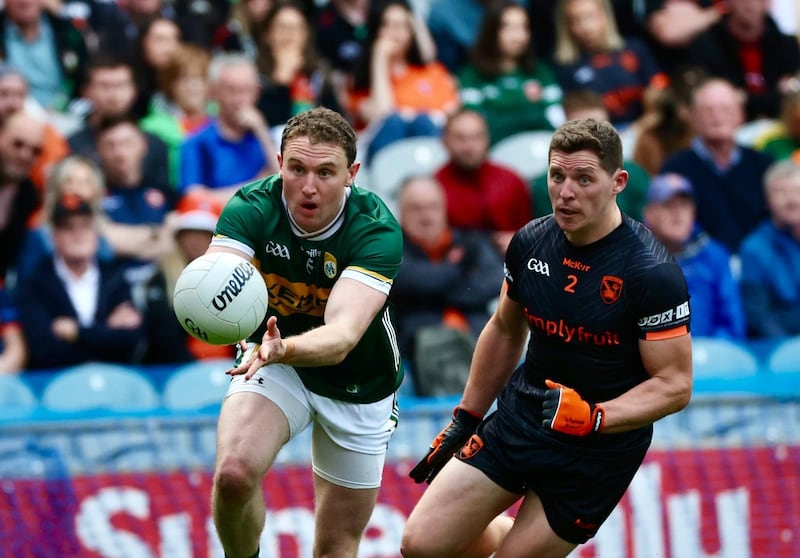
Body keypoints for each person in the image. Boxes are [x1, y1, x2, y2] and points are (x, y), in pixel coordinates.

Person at [401, 118, 693, 558]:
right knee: (421, 546)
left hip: (598, 453)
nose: (566, 191)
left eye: (583, 179)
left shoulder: (652, 273)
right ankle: (506, 537)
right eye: (557, 176)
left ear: (618, 182)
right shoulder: (530, 242)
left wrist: (595, 416)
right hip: (522, 418)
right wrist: (467, 416)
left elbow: (675, 384)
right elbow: (504, 327)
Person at [207, 107, 403, 558]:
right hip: (274, 361)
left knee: (334, 547)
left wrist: (282, 348)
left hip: (359, 381)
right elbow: (216, 281)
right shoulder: (250, 207)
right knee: (234, 474)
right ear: (280, 164)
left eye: (325, 172)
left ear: (351, 174)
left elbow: (342, 336)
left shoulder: (375, 229)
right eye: (296, 169)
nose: (308, 186)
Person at [391, 175, 503, 396]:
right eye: (416, 208)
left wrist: (437, 289)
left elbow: (496, 280)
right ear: (401, 212)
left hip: (478, 340)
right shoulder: (391, 249)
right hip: (418, 352)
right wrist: (461, 268)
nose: (426, 216)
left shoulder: (468, 242)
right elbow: (413, 280)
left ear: (443, 209)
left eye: (432, 207)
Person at [18, 193, 146, 370]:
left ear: (96, 232)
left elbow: (131, 340)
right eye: (68, 228)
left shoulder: (115, 277)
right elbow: (44, 351)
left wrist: (76, 332)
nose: (77, 235)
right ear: (54, 236)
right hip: (56, 385)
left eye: (85, 226)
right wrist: (105, 332)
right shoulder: (36, 284)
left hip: (116, 380)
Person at [660, 77, 774, 253]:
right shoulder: (675, 169)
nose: (717, 116)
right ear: (693, 118)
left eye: (725, 109)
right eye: (707, 110)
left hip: (761, 262)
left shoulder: (764, 165)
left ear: (740, 116)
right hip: (700, 266)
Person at [349, 0, 457, 162]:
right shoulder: (361, 82)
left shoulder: (433, 72)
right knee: (394, 122)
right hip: (381, 162)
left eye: (402, 26)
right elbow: (381, 116)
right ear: (376, 29)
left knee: (423, 121)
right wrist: (379, 60)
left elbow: (447, 117)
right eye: (387, 25)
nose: (395, 33)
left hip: (427, 156)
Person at [643, 173, 746, 340]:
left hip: (712, 359)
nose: (677, 214)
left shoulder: (715, 256)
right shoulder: (631, 257)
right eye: (668, 205)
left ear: (693, 211)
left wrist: (708, 355)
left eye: (684, 205)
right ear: (649, 214)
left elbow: (733, 324)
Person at [142, 190, 233, 363]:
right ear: (179, 236)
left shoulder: (233, 276)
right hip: (176, 371)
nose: (197, 239)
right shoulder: (162, 278)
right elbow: (164, 338)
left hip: (229, 370)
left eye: (205, 232)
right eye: (190, 231)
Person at [458, 0, 564, 145]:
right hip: (495, 153)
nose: (519, 36)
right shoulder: (471, 75)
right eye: (510, 28)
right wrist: (530, 117)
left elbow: (556, 120)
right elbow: (477, 126)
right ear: (492, 30)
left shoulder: (541, 71)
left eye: (524, 28)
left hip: (541, 151)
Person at [179, 53, 279, 202]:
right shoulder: (196, 142)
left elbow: (283, 182)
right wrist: (259, 186)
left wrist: (261, 130)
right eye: (231, 90)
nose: (240, 99)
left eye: (247, 90)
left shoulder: (266, 137)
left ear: (257, 92)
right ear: (213, 92)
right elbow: (193, 198)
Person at [552, 0, 668, 128]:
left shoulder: (635, 49)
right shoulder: (567, 66)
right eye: (575, 20)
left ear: (605, 15)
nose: (585, 27)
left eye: (590, 16)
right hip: (599, 134)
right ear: (567, 27)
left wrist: (644, 121)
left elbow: (660, 89)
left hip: (646, 127)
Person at [434, 108, 531, 255]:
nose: (469, 146)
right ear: (445, 141)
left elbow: (530, 233)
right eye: (460, 138)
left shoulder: (511, 181)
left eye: (476, 137)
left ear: (487, 139)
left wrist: (517, 241)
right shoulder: (433, 188)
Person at [684, 0, 800, 120]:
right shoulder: (707, 46)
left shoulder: (787, 46)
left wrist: (744, 98)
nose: (750, 4)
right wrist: (774, 95)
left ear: (768, 3)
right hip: (726, 128)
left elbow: (792, 98)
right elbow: (709, 101)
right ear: (728, 2)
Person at [739, 159, 800, 338]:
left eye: (797, 191)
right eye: (781, 193)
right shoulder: (754, 249)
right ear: (767, 200)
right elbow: (760, 317)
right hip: (780, 354)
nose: (792, 200)